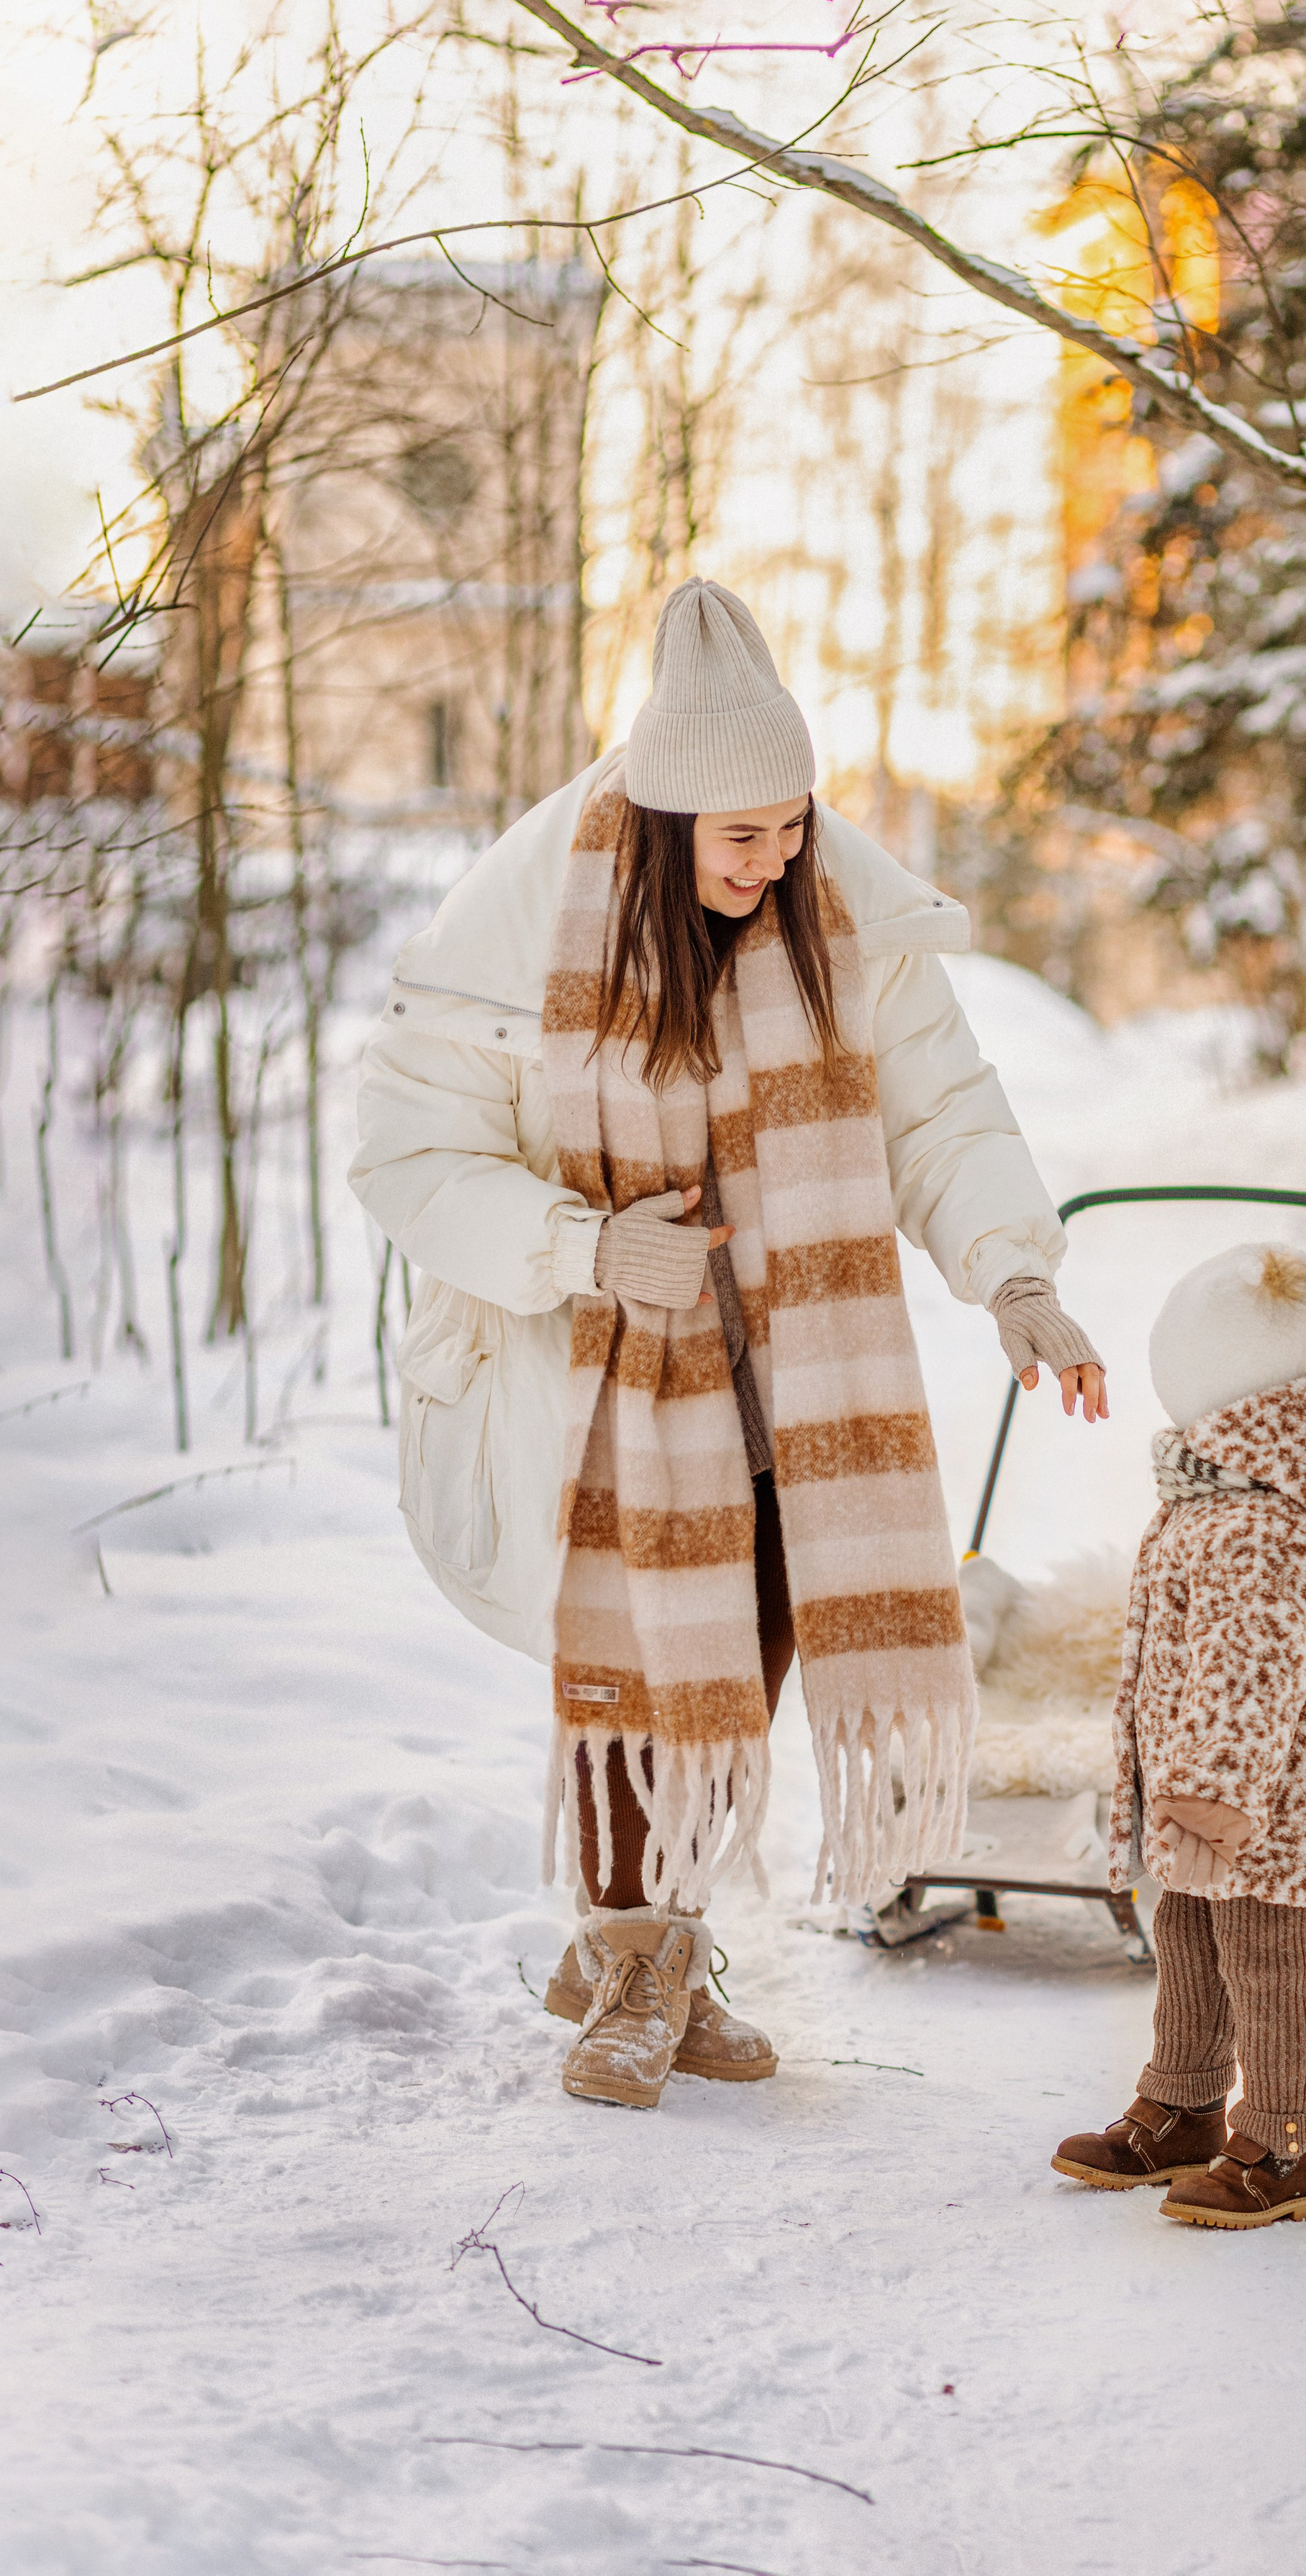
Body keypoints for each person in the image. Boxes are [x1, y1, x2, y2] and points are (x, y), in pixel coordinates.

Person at [351, 576, 1106, 2111]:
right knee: (639, 1658)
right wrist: (582, 1247)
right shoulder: (525, 940)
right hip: (606, 1381)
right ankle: (643, 1952)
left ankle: (652, 1940)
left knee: (749, 1639)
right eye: (737, 837)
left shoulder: (839, 922)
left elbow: (938, 1108)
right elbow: (406, 1158)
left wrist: (1012, 1272)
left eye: (792, 824)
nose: (772, 861)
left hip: (796, 1378)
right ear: (655, 820)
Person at [1051, 1230, 1306, 2226]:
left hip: (1281, 1798)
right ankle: (1182, 2105)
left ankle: (1285, 2142)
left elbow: (1247, 1674)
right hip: (1229, 1792)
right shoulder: (1235, 1497)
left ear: (1241, 1393)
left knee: (1263, 1951)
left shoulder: (1265, 1523)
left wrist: (1210, 1791)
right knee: (1186, 1930)